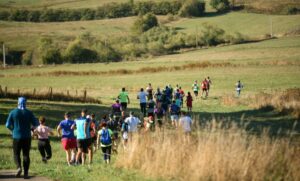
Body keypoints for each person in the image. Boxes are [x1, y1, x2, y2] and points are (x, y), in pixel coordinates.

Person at [5, 97, 39, 179]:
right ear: (25, 103)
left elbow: (7, 125)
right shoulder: (29, 113)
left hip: (16, 136)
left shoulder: (13, 112)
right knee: (26, 155)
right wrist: (31, 129)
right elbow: (36, 124)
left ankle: (18, 167)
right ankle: (26, 173)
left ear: (18, 103)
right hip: (27, 137)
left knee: (16, 154)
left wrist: (13, 130)